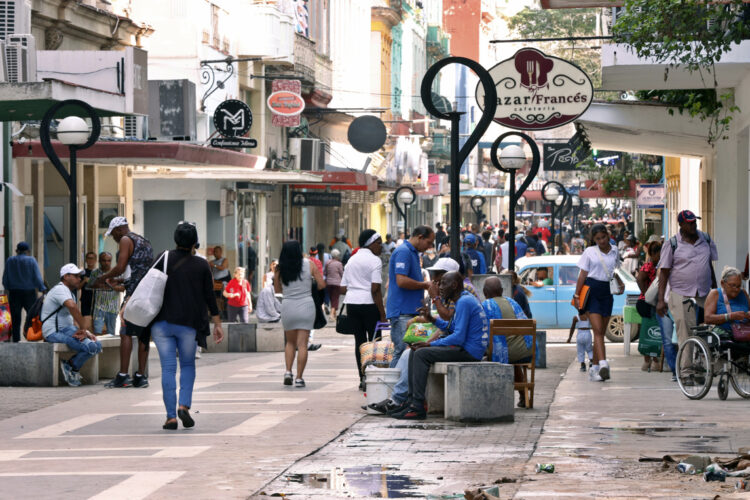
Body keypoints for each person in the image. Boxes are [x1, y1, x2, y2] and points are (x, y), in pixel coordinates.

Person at [150, 222, 224, 430]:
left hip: (162, 323)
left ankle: (170, 417)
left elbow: (148, 285)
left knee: (168, 368)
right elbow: (210, 297)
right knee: (188, 365)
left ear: (175, 239)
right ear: (194, 241)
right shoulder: (201, 265)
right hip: (189, 326)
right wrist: (217, 324)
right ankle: (184, 405)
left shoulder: (162, 259)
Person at [391, 272, 488, 420]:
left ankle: (417, 406)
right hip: (465, 348)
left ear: (454, 285)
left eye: (443, 283)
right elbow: (451, 326)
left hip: (469, 352)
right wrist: (430, 318)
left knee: (421, 353)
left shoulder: (464, 302)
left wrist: (429, 344)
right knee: (414, 350)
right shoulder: (462, 300)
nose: (440, 288)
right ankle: (411, 402)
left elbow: (458, 337)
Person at [93, 217, 153, 388]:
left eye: (113, 235)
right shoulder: (144, 240)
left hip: (134, 294)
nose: (114, 238)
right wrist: (120, 282)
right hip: (147, 292)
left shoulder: (126, 239)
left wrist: (103, 277)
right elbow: (138, 270)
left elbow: (120, 266)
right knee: (143, 334)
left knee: (125, 332)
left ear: (119, 230)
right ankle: (141, 376)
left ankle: (123, 375)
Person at [656, 210, 718, 350]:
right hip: (680, 292)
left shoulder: (706, 239)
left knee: (713, 326)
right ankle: (686, 369)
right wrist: (660, 300)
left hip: (704, 291)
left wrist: (715, 288)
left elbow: (709, 265)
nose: (693, 225)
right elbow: (664, 273)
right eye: (689, 223)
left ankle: (708, 362)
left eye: (694, 222)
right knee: (685, 331)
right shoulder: (672, 244)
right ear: (681, 224)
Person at [573, 223, 622, 382]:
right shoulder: (589, 252)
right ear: (593, 239)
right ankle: (603, 364)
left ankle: (594, 369)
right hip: (591, 290)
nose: (601, 241)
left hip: (607, 291)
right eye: (597, 238)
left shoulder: (615, 251)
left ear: (608, 235)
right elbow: (582, 275)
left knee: (601, 330)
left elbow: (614, 272)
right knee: (598, 330)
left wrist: (620, 284)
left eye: (603, 237)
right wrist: (576, 294)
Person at [275, 240, 325, 388]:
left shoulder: (280, 268)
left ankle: (288, 372)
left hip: (288, 305)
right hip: (306, 306)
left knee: (290, 342)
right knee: (302, 344)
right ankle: (299, 378)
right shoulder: (309, 264)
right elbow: (322, 285)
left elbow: (277, 290)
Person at [340, 230, 386, 390]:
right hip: (370, 305)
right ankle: (374, 377)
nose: (382, 247)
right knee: (375, 343)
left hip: (352, 305)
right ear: (370, 244)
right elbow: (375, 289)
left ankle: (362, 378)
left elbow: (342, 288)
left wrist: (356, 288)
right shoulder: (375, 261)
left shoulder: (351, 260)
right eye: (379, 243)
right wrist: (382, 313)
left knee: (359, 342)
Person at [42, 264, 103, 386]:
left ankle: (70, 365)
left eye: (79, 276)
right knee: (90, 346)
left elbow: (71, 317)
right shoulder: (60, 289)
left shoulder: (69, 292)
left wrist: (86, 332)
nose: (79, 279)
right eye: (76, 276)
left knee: (97, 345)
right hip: (54, 332)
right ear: (65, 276)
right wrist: (83, 329)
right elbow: (72, 306)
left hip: (67, 329)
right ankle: (72, 368)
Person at [386, 225, 434, 367]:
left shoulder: (413, 253)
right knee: (401, 351)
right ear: (420, 237)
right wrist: (424, 285)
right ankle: (392, 386)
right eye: (429, 242)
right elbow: (401, 281)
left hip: (410, 312)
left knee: (409, 352)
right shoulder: (404, 252)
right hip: (402, 313)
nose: (430, 247)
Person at [481, 276, 532, 408]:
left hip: (503, 354)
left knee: (484, 355)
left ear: (485, 292)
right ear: (502, 290)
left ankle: (494, 398)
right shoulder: (513, 302)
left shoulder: (485, 306)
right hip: (525, 352)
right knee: (512, 353)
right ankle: (523, 396)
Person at [2, 242, 45, 342]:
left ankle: (16, 340)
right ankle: (31, 336)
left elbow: (5, 278)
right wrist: (42, 288)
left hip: (14, 292)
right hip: (29, 293)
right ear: (28, 251)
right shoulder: (31, 260)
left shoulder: (10, 260)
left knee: (15, 317)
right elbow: (37, 277)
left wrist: (8, 288)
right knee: (32, 315)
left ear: (17, 251)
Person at [636, 241, 665, 373]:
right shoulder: (649, 266)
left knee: (649, 330)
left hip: (647, 303)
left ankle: (650, 361)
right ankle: (650, 361)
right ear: (653, 254)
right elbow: (639, 279)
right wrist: (647, 294)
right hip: (647, 304)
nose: (661, 257)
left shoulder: (656, 265)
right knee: (650, 330)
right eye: (659, 254)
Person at [704, 266, 750, 335]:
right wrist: (730, 316)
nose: (736, 289)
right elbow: (708, 318)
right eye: (733, 285)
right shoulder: (715, 294)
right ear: (722, 283)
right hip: (724, 336)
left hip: (744, 333)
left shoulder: (743, 293)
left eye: (738, 286)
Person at [88, 252, 124, 335]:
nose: (106, 263)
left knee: (110, 333)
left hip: (112, 307)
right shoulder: (95, 272)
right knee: (97, 332)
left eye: (109, 261)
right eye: (104, 260)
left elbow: (123, 288)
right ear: (99, 261)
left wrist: (111, 286)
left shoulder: (117, 273)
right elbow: (89, 286)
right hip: (98, 307)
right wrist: (99, 284)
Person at [79, 251, 98, 332]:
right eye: (88, 258)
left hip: (97, 301)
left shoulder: (98, 272)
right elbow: (77, 287)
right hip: (85, 300)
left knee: (96, 323)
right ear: (86, 260)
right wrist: (84, 281)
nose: (90, 260)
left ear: (95, 260)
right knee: (86, 322)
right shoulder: (82, 273)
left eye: (92, 258)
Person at [324, 249, 344, 320]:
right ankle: (332, 315)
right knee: (335, 299)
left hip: (328, 283)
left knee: (332, 298)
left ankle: (334, 315)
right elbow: (342, 274)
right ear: (338, 256)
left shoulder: (327, 263)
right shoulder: (339, 264)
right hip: (337, 284)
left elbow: (325, 273)